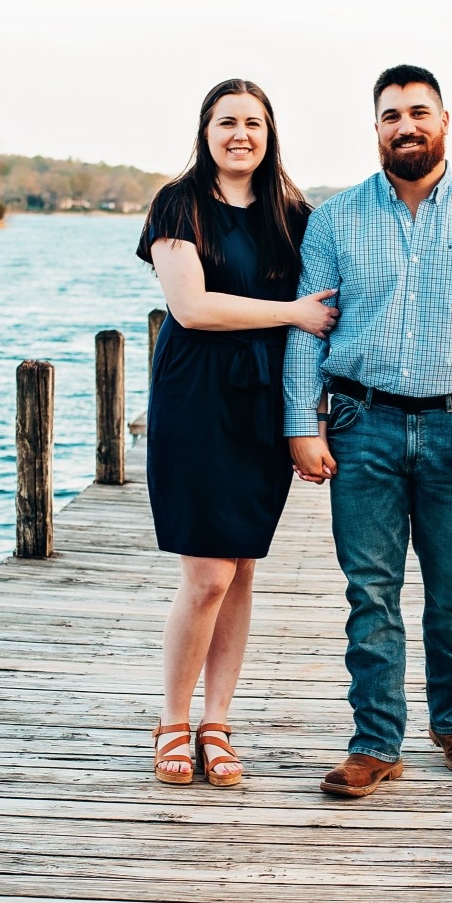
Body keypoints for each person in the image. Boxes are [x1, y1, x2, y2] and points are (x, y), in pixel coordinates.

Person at [283, 65, 452, 798]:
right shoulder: (335, 221)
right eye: (391, 114)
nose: (406, 125)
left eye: (418, 112)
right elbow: (309, 332)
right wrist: (300, 426)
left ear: (444, 122)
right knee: (370, 592)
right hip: (359, 425)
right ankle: (376, 741)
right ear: (375, 128)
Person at [137, 79, 338, 786]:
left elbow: (330, 309)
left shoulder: (294, 216)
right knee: (206, 575)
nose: (240, 135)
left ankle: (217, 722)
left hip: (262, 406)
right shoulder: (178, 203)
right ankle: (171, 721)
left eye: (253, 123)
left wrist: (309, 418)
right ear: (206, 130)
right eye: (227, 122)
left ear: (269, 132)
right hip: (195, 403)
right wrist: (289, 314)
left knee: (242, 567)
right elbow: (190, 308)